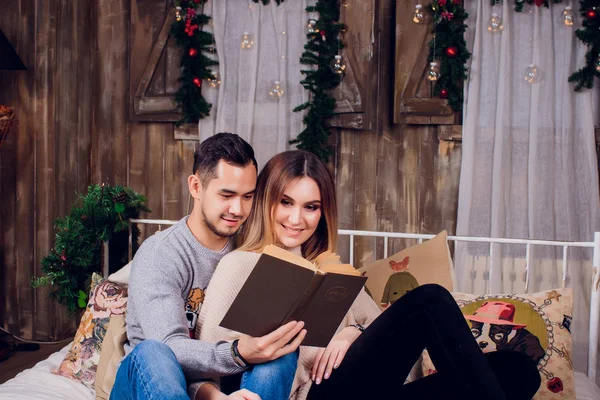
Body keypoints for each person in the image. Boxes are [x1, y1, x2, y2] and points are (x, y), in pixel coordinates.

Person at [197, 150, 542, 400]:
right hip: (309, 395)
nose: (296, 219)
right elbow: (206, 363)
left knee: (517, 369)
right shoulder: (239, 264)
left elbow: (402, 363)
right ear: (266, 202)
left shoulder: (332, 273)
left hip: (367, 392)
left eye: (311, 206)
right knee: (430, 300)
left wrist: (352, 333)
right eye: (286, 202)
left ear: (323, 212)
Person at [111, 133, 305, 400]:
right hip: (150, 385)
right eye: (226, 195)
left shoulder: (250, 248)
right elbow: (170, 348)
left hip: (225, 388)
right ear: (196, 187)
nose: (237, 209)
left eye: (248, 197)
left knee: (278, 350)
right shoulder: (161, 253)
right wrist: (236, 353)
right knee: (154, 353)